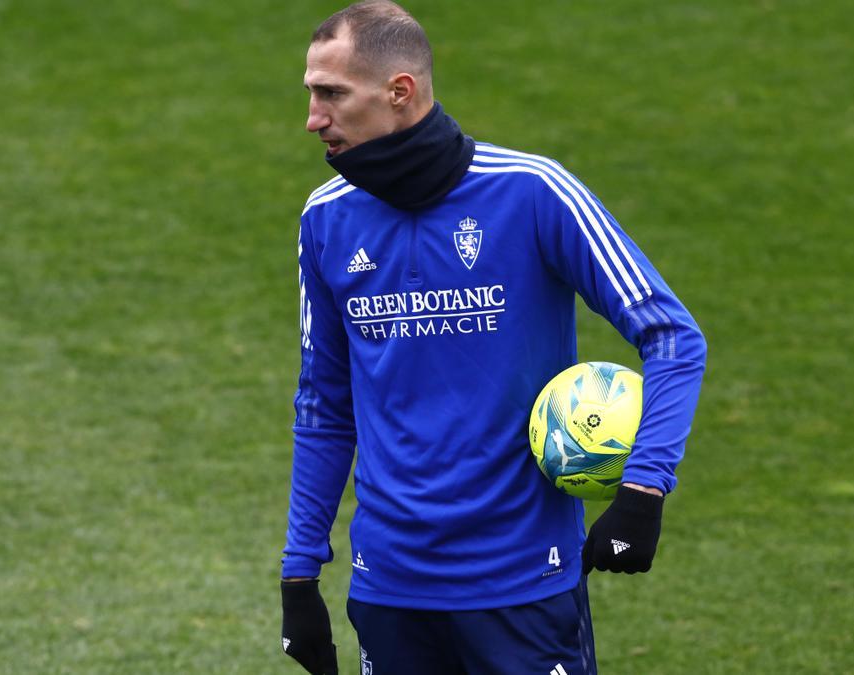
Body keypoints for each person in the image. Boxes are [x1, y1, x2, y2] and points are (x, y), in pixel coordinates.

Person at [279, 2, 707, 674]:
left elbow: (673, 335)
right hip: (390, 588)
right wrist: (299, 574)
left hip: (523, 584)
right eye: (310, 93)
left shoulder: (532, 192)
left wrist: (643, 492)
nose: (313, 118)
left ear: (400, 92)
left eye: (331, 94)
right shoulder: (326, 220)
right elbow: (324, 406)